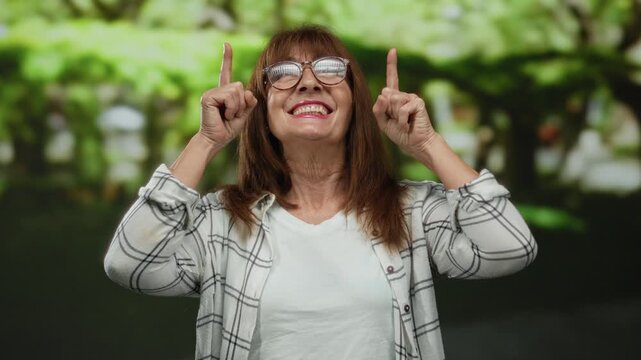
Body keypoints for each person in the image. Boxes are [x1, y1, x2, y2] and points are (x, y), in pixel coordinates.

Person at [104, 25, 537, 360]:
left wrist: (427, 145)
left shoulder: (409, 213)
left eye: (330, 69)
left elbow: (510, 247)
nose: (309, 83)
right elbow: (129, 263)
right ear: (260, 108)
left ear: (355, 102)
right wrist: (206, 140)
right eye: (285, 73)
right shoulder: (221, 221)